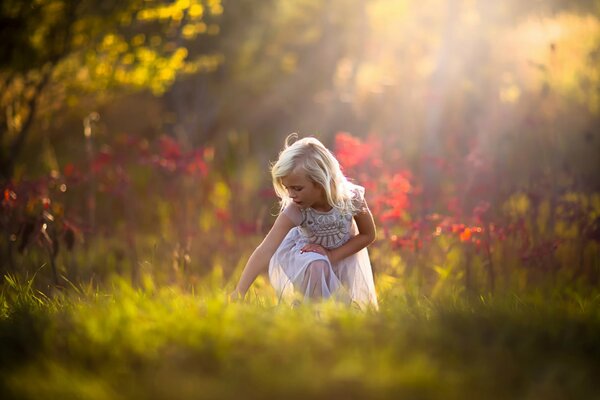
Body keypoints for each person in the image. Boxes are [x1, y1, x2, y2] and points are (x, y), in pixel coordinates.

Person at [231, 134, 378, 309]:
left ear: (321, 181)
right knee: (317, 264)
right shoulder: (296, 209)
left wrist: (332, 255)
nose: (291, 195)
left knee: (342, 307)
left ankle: (329, 320)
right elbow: (265, 249)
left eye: (297, 188)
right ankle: (312, 318)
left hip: (343, 255)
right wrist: (239, 290)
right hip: (306, 259)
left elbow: (369, 234)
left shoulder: (351, 199)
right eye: (287, 188)